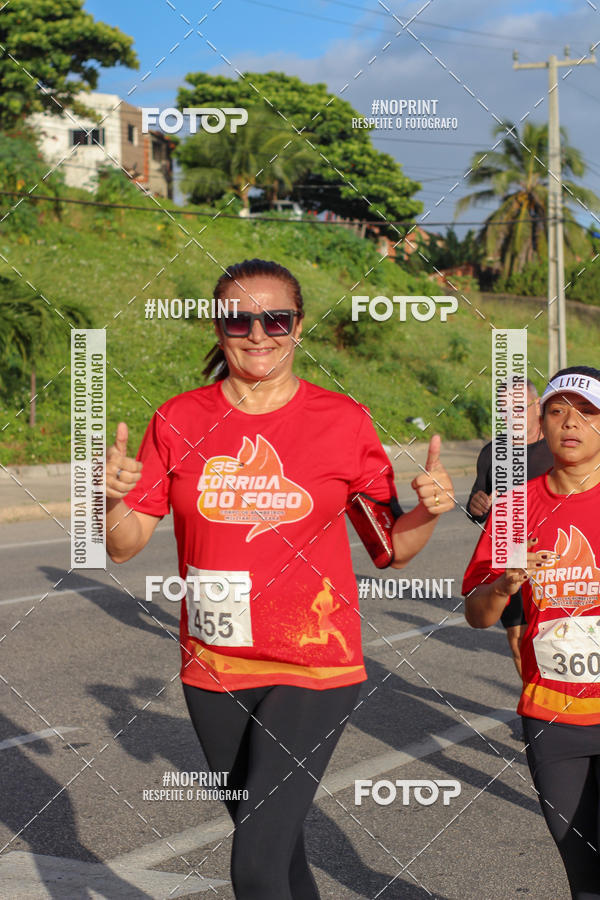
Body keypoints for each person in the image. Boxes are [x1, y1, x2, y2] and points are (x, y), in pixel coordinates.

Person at [105, 258, 455, 900]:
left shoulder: (342, 420)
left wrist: (428, 513)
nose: (257, 332)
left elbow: (389, 551)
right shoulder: (178, 418)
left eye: (276, 318)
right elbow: (124, 546)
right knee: (279, 851)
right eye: (239, 318)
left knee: (255, 865)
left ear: (298, 328)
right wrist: (110, 499)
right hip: (212, 665)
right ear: (218, 328)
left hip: (314, 664)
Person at [463, 365, 600, 900]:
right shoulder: (517, 508)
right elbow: (478, 614)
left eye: (587, 412)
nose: (571, 422)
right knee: (585, 880)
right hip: (553, 718)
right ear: (541, 423)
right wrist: (505, 582)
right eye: (558, 410)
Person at [466, 379, 553, 675]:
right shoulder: (493, 453)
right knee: (517, 638)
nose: (512, 416)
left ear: (537, 404)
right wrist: (476, 505)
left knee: (559, 635)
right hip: (512, 556)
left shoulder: (558, 445)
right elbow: (478, 501)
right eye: (505, 410)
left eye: (519, 407)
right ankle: (536, 705)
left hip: (556, 555)